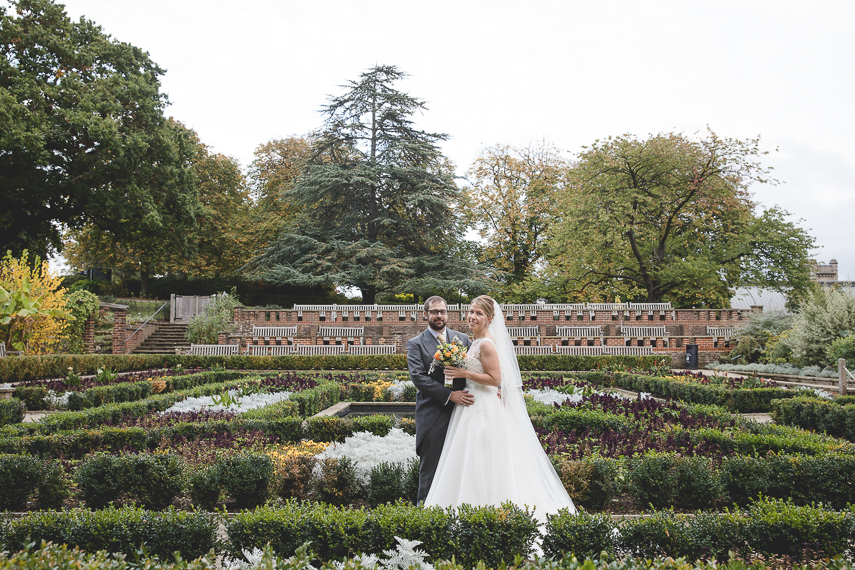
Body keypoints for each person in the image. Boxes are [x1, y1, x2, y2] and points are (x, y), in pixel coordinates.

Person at [424, 295, 576, 522]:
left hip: (483, 409)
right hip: (470, 405)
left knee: (483, 458)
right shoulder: (474, 342)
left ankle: (490, 509)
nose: (472, 317)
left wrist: (465, 373)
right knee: (470, 459)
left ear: (490, 318)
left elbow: (495, 379)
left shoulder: (486, 343)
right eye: (471, 312)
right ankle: (471, 508)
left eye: (479, 313)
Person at [406, 295, 473, 504]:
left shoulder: (462, 339)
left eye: (442, 311)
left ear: (447, 314)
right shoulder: (415, 344)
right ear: (425, 314)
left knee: (461, 465)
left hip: (464, 411)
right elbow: (418, 378)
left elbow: (475, 369)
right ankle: (424, 510)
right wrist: (449, 395)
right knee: (431, 466)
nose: (439, 315)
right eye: (434, 311)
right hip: (433, 412)